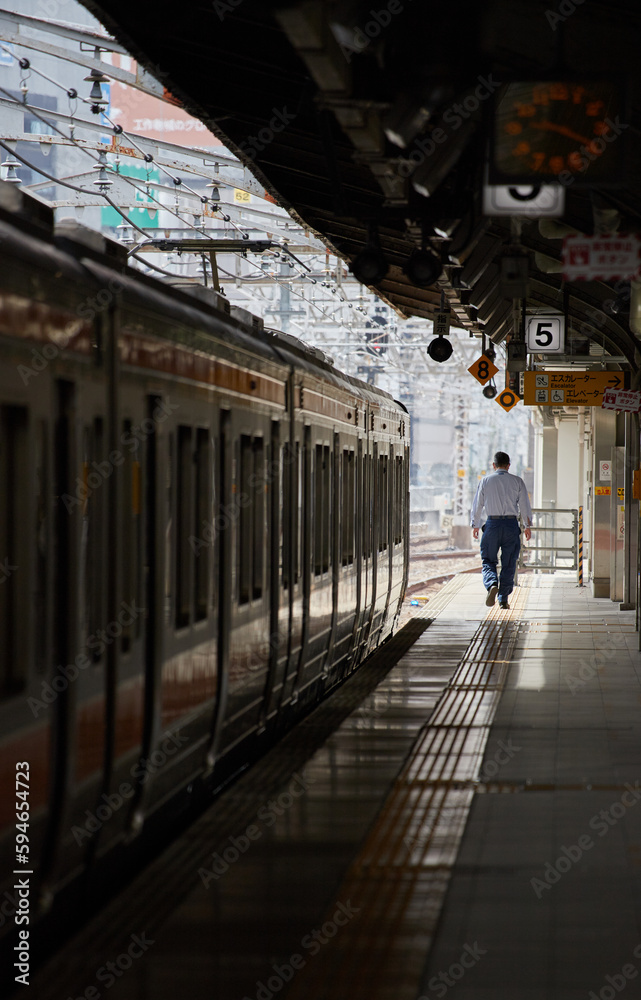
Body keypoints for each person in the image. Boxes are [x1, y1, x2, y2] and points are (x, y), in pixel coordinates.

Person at [470, 451, 532, 610]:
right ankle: (503, 598)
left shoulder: (485, 481)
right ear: (508, 466)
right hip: (511, 526)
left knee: (489, 560)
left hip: (492, 525)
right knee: (509, 563)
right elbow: (524, 505)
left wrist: (475, 525)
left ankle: (491, 585)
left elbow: (478, 505)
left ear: (494, 465)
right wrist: (527, 526)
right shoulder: (517, 481)